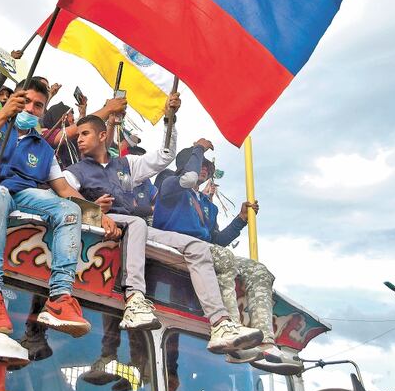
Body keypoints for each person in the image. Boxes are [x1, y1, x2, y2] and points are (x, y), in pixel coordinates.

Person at [67, 114, 263, 355]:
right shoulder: (75, 170)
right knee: (138, 223)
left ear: (102, 135)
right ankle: (135, 299)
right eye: (77, 136)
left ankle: (220, 323)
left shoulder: (126, 165)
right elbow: (60, 195)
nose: (78, 139)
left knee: (198, 247)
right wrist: (93, 208)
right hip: (101, 223)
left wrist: (170, 120)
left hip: (136, 230)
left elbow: (164, 156)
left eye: (84, 133)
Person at [0, 78, 94, 337]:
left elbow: (64, 189)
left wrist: (98, 215)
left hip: (21, 195)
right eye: (26, 101)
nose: (31, 109)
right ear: (12, 98)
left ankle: (60, 299)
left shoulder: (42, 146)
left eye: (38, 105)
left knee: (69, 210)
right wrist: (5, 114)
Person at [153, 143, 301, 374]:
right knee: (223, 257)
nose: (205, 170)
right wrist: (198, 149)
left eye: (208, 168)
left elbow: (216, 239)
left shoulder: (207, 206)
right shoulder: (169, 184)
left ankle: (266, 342)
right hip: (174, 244)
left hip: (208, 250)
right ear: (187, 163)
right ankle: (230, 336)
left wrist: (240, 220)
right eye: (201, 164)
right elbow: (186, 178)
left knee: (258, 270)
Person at [41, 95, 129, 169]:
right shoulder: (45, 136)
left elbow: (103, 147)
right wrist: (108, 109)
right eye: (71, 120)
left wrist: (111, 123)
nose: (73, 122)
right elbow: (79, 128)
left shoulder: (74, 143)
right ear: (61, 118)